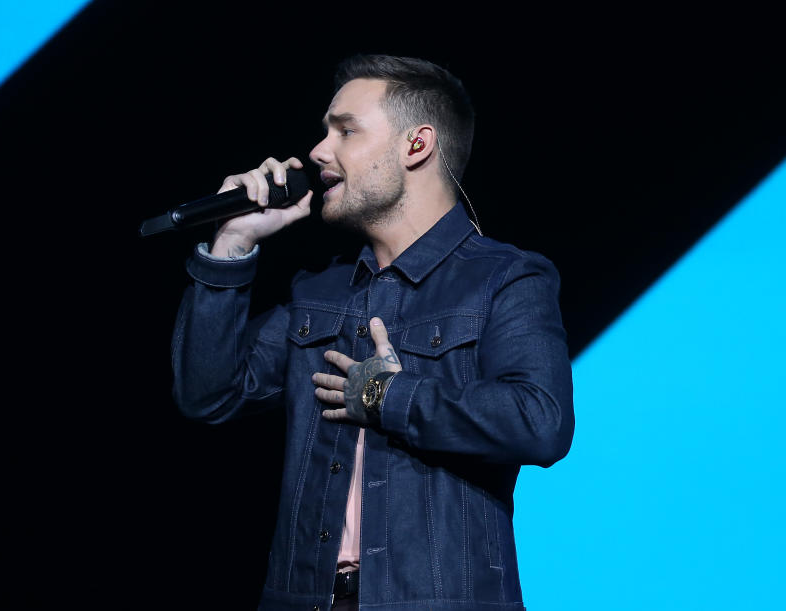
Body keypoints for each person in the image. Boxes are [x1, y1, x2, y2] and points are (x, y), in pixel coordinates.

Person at [171, 54, 574, 611]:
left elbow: (540, 422)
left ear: (417, 145)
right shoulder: (320, 291)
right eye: (324, 131)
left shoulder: (505, 277)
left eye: (346, 130)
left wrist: (388, 396)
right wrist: (232, 245)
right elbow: (208, 395)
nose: (318, 151)